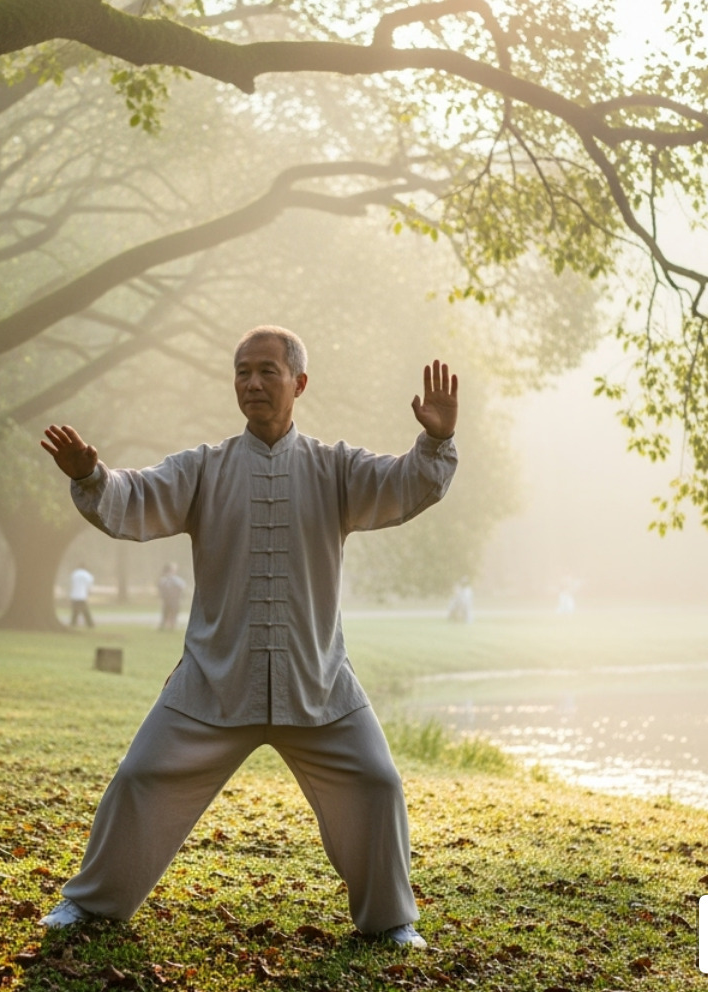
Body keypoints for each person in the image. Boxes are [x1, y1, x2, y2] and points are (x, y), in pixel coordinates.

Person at [37, 325, 458, 949]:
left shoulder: (335, 468)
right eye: (242, 372)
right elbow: (136, 495)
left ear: (300, 383)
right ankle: (92, 906)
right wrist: (93, 476)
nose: (252, 383)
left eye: (267, 370)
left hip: (317, 683)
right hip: (212, 683)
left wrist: (436, 439)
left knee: (377, 782)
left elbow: (404, 484)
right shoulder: (202, 468)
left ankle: (390, 920)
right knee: (139, 777)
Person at [156, 562, 187, 631]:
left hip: (173, 599)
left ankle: (171, 625)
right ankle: (166, 624)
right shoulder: (165, 580)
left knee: (173, 612)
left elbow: (182, 587)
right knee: (167, 612)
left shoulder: (176, 580)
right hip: (168, 599)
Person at [68, 564, 96, 628]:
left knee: (75, 611)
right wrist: (89, 592)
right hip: (82, 595)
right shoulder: (87, 574)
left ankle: (73, 623)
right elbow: (90, 584)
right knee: (85, 610)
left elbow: (71, 583)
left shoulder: (74, 573)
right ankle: (90, 624)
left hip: (74, 595)